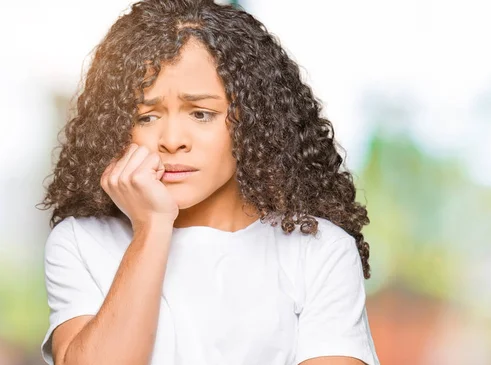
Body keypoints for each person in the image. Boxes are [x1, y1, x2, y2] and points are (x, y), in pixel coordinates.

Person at [38, 0, 379, 364]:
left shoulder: (318, 251)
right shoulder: (81, 242)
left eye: (201, 114)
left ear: (253, 121)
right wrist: (152, 227)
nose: (171, 140)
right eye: (147, 116)